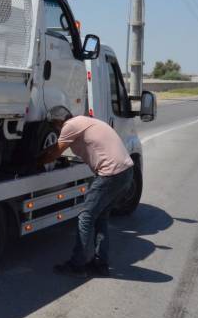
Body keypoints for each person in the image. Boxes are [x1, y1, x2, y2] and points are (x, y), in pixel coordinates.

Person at [37, 106, 134, 277]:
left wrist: (34, 162)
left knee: (85, 216)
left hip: (110, 174)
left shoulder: (70, 125)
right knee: (100, 217)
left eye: (54, 125)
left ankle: (77, 265)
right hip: (126, 172)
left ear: (59, 121)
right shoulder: (86, 121)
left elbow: (54, 154)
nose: (55, 129)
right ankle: (100, 265)